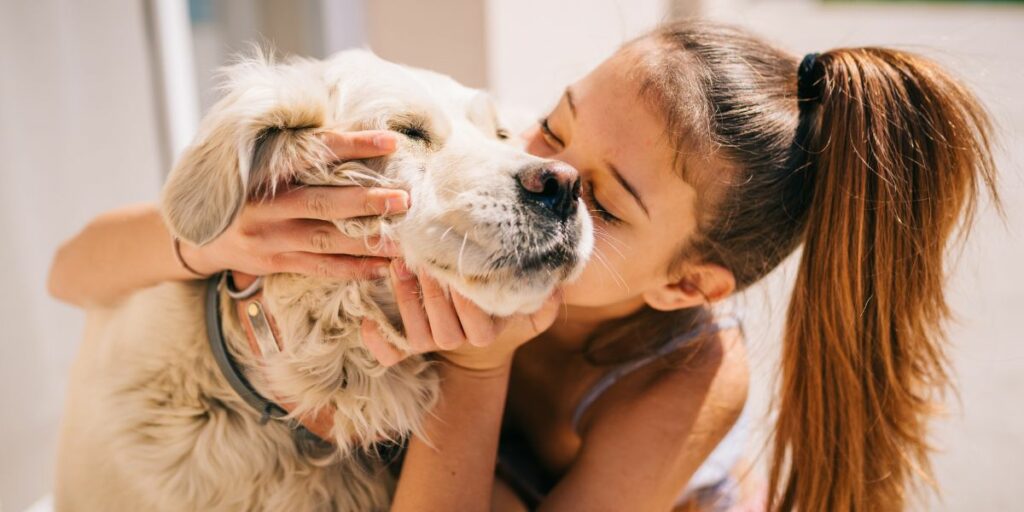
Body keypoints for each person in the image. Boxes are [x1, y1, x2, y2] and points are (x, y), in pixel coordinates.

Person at [49, 20, 998, 512]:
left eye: (606, 199)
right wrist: (211, 241)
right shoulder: (449, 218)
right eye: (550, 122)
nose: (537, 173)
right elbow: (71, 271)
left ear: (685, 285)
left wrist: (477, 366)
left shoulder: (689, 372)